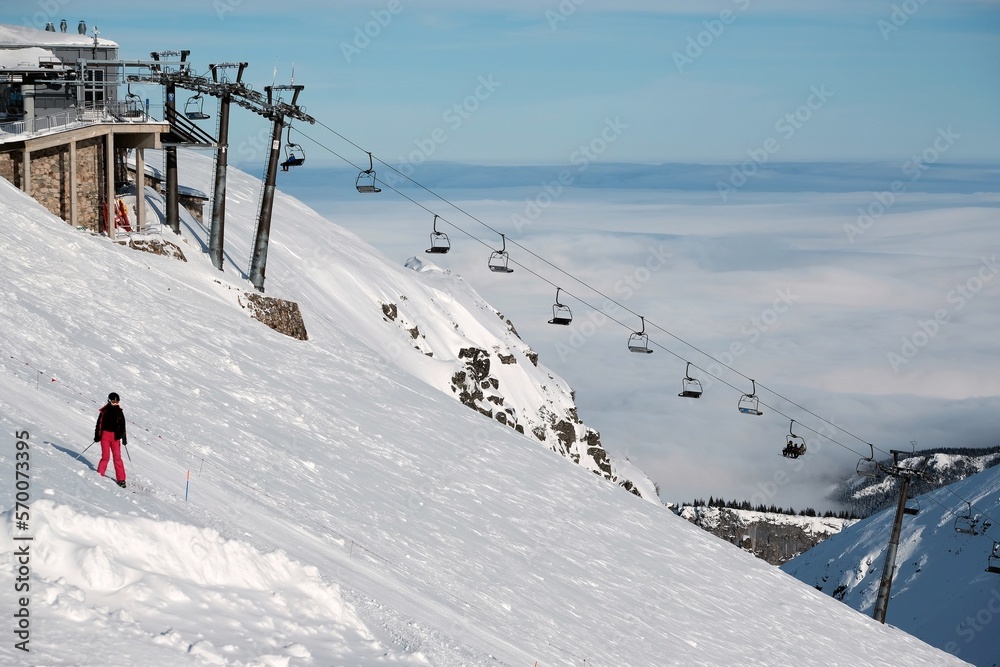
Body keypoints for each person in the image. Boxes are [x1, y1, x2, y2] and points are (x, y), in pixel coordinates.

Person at [94, 392, 128, 488]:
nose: (115, 404)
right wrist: (97, 436)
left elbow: (123, 426)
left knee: (117, 458)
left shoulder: (120, 412)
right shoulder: (104, 411)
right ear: (109, 401)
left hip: (115, 438)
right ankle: (99, 475)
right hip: (105, 436)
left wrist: (124, 438)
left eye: (117, 402)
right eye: (113, 402)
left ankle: (121, 479)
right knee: (106, 456)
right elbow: (99, 424)